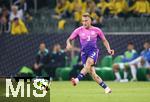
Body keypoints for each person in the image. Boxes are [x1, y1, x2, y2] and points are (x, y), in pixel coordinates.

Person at [66, 12, 114, 93]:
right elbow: (69, 39)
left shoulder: (97, 30)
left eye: (86, 20)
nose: (84, 22)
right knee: (93, 74)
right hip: (84, 53)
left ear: (90, 21)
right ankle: (107, 88)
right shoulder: (78, 30)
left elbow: (104, 40)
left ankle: (77, 80)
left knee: (88, 63)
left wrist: (108, 49)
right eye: (83, 21)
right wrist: (68, 44)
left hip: (93, 51)